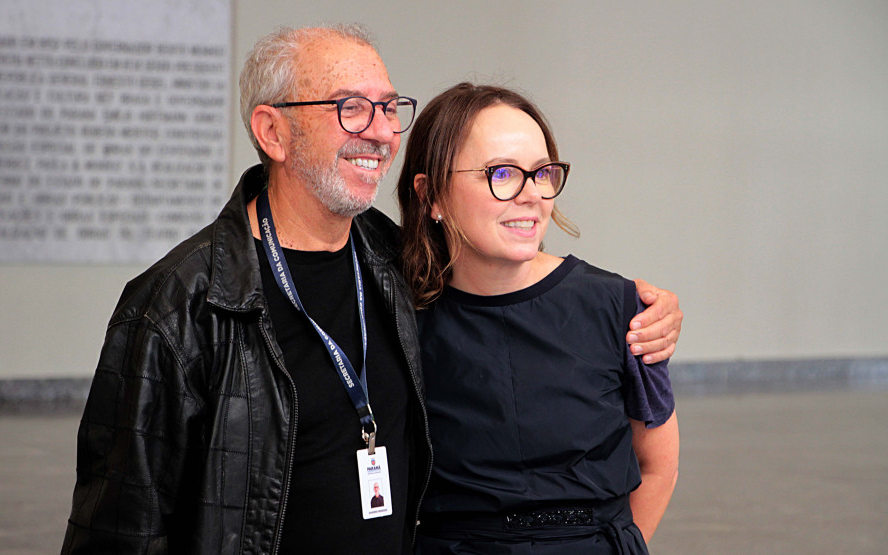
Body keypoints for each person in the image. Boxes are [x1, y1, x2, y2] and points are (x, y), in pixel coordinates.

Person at [62, 25, 681, 554]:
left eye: (388, 108)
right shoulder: (178, 305)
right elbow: (119, 528)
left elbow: (509, 279)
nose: (382, 131)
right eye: (351, 107)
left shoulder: (392, 265)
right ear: (273, 133)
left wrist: (636, 304)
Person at [397, 83, 680, 554]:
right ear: (431, 196)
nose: (532, 195)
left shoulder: (618, 307)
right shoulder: (402, 321)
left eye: (542, 172)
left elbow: (659, 466)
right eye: (502, 173)